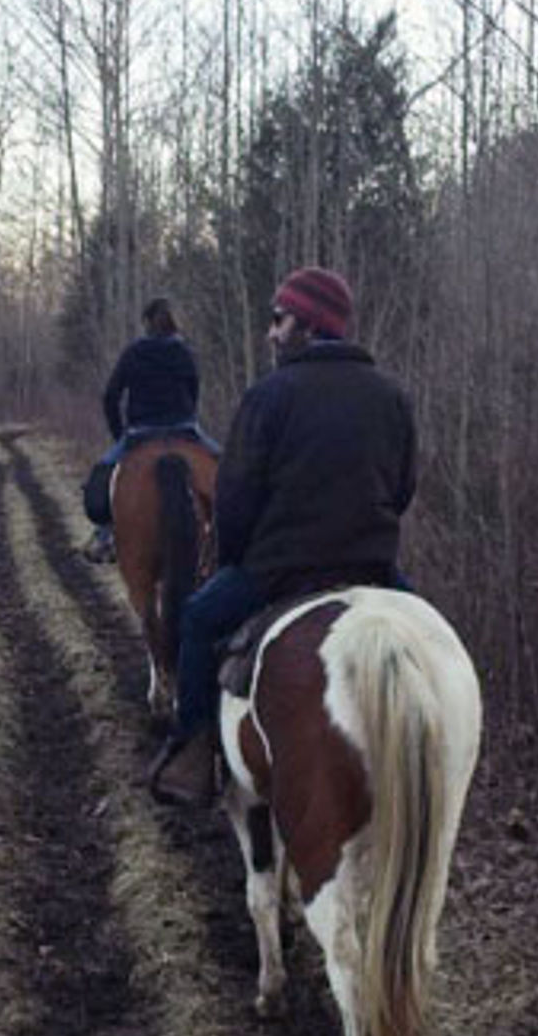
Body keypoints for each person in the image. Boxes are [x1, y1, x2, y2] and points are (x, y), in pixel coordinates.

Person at [148, 265, 417, 807]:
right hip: (373, 568)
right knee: (434, 645)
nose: (271, 332)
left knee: (198, 619)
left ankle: (194, 752)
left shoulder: (270, 394)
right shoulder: (391, 396)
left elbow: (236, 498)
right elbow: (403, 488)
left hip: (281, 569)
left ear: (310, 326)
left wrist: (236, 559)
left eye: (279, 319)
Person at [82, 297, 218, 563]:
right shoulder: (184, 353)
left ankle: (105, 535)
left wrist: (120, 434)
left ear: (146, 323)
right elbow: (194, 393)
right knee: (225, 469)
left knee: (103, 474)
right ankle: (224, 537)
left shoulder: (133, 353)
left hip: (141, 432)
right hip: (184, 429)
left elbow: (111, 396)